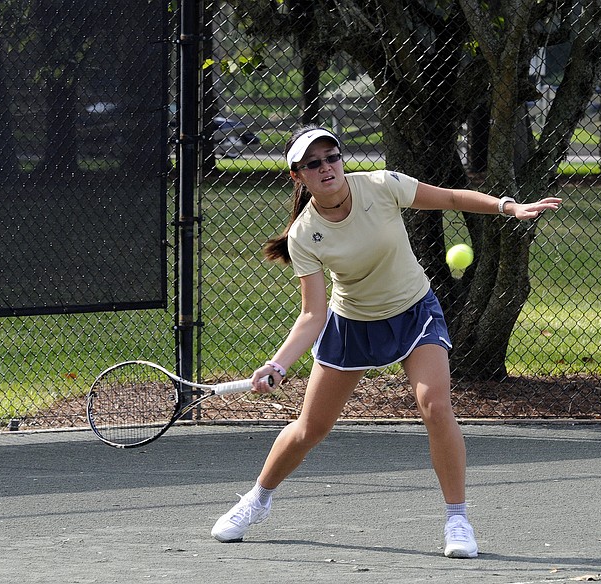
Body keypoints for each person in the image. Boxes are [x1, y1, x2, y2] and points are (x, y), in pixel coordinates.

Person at [211, 126, 562, 558]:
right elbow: (312, 314)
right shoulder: (304, 235)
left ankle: (457, 520)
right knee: (310, 428)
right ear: (297, 176)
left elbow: (452, 198)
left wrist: (507, 206)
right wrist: (277, 364)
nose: (326, 168)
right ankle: (257, 500)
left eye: (332, 157)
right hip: (352, 324)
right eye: (313, 164)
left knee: (435, 406)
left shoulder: (382, 185)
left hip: (414, 311)